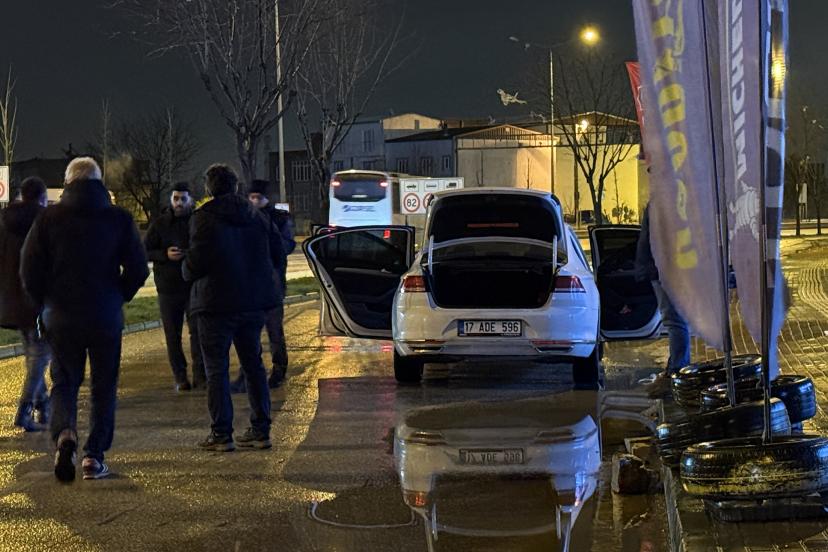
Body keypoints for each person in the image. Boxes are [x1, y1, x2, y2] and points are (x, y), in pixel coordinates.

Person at [21, 157, 149, 482]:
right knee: (104, 387)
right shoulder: (118, 218)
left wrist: (44, 303)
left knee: (64, 382)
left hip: (62, 317)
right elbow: (138, 268)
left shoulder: (48, 219)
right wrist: (118, 295)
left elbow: (29, 269)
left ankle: (65, 434)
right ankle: (94, 456)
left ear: (67, 182)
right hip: (105, 315)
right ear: (99, 182)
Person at [183, 164, 285, 452]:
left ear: (209, 188)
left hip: (215, 303)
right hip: (252, 302)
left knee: (216, 369)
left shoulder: (203, 217)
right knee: (253, 365)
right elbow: (278, 252)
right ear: (236, 186)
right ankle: (261, 430)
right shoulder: (256, 216)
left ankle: (221, 433)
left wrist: (186, 268)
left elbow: (196, 262)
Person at [230, 179, 294, 393]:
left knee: (274, 331)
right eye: (252, 197)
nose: (255, 201)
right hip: (248, 284)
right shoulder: (243, 218)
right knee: (249, 334)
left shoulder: (279, 219)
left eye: (259, 197)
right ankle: (246, 374)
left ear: (267, 199)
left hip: (272, 284)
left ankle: (278, 371)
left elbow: (286, 246)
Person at [0, 177, 51, 432]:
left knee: (33, 354)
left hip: (11, 300)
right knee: (40, 356)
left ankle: (44, 405)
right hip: (37, 299)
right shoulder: (45, 221)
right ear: (42, 197)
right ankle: (25, 410)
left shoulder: (5, 220)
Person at [144, 183, 205, 392]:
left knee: (197, 333)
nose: (179, 203)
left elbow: (203, 248)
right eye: (175, 198)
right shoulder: (160, 223)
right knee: (172, 335)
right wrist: (164, 255)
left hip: (192, 286)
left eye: (183, 199)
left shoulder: (197, 222)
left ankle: (200, 376)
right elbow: (145, 250)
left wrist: (188, 254)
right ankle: (180, 376)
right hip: (168, 288)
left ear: (190, 200)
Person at [635, 203, 691, 396]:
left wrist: (654, 267)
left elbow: (660, 239)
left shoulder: (665, 201)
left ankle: (678, 371)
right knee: (675, 320)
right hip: (665, 268)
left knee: (674, 321)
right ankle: (675, 368)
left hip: (664, 270)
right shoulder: (669, 200)